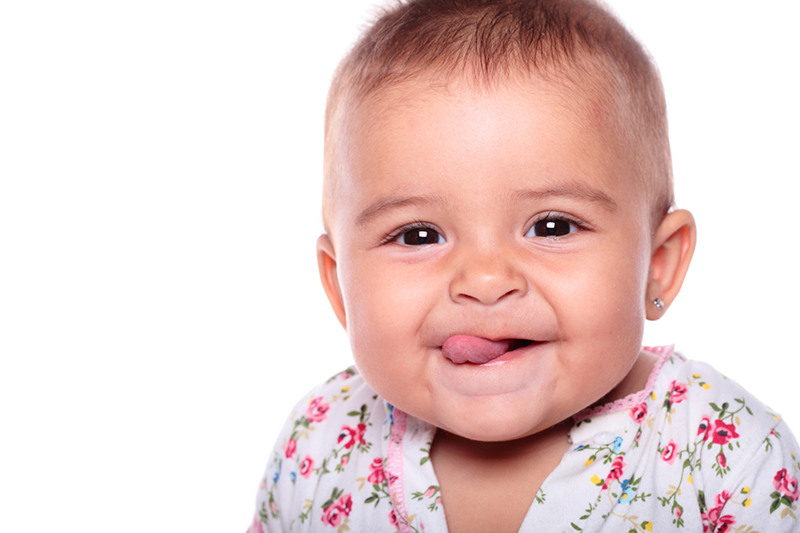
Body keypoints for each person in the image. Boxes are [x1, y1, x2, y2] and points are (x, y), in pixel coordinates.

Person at [249, 0, 800, 531]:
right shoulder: (317, 444)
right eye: (419, 235)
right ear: (340, 287)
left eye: (552, 226)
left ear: (657, 265)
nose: (485, 282)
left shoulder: (729, 457)